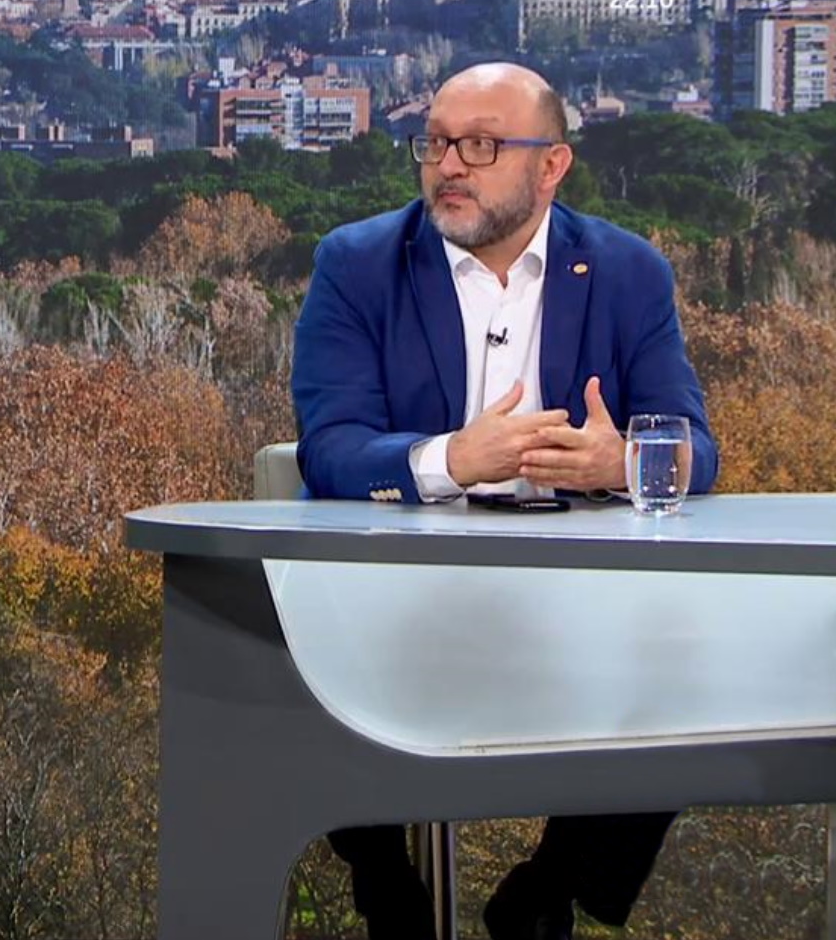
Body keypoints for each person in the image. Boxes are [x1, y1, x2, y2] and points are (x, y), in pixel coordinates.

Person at [291, 62, 718, 940]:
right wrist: (451, 459)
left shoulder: (629, 272)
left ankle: (548, 892)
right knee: (304, 639)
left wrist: (619, 461)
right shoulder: (358, 264)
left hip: (580, 607)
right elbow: (330, 448)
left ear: (551, 165)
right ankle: (385, 886)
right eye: (437, 143)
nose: (449, 165)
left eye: (481, 146)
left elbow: (696, 452)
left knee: (693, 661)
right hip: (396, 598)